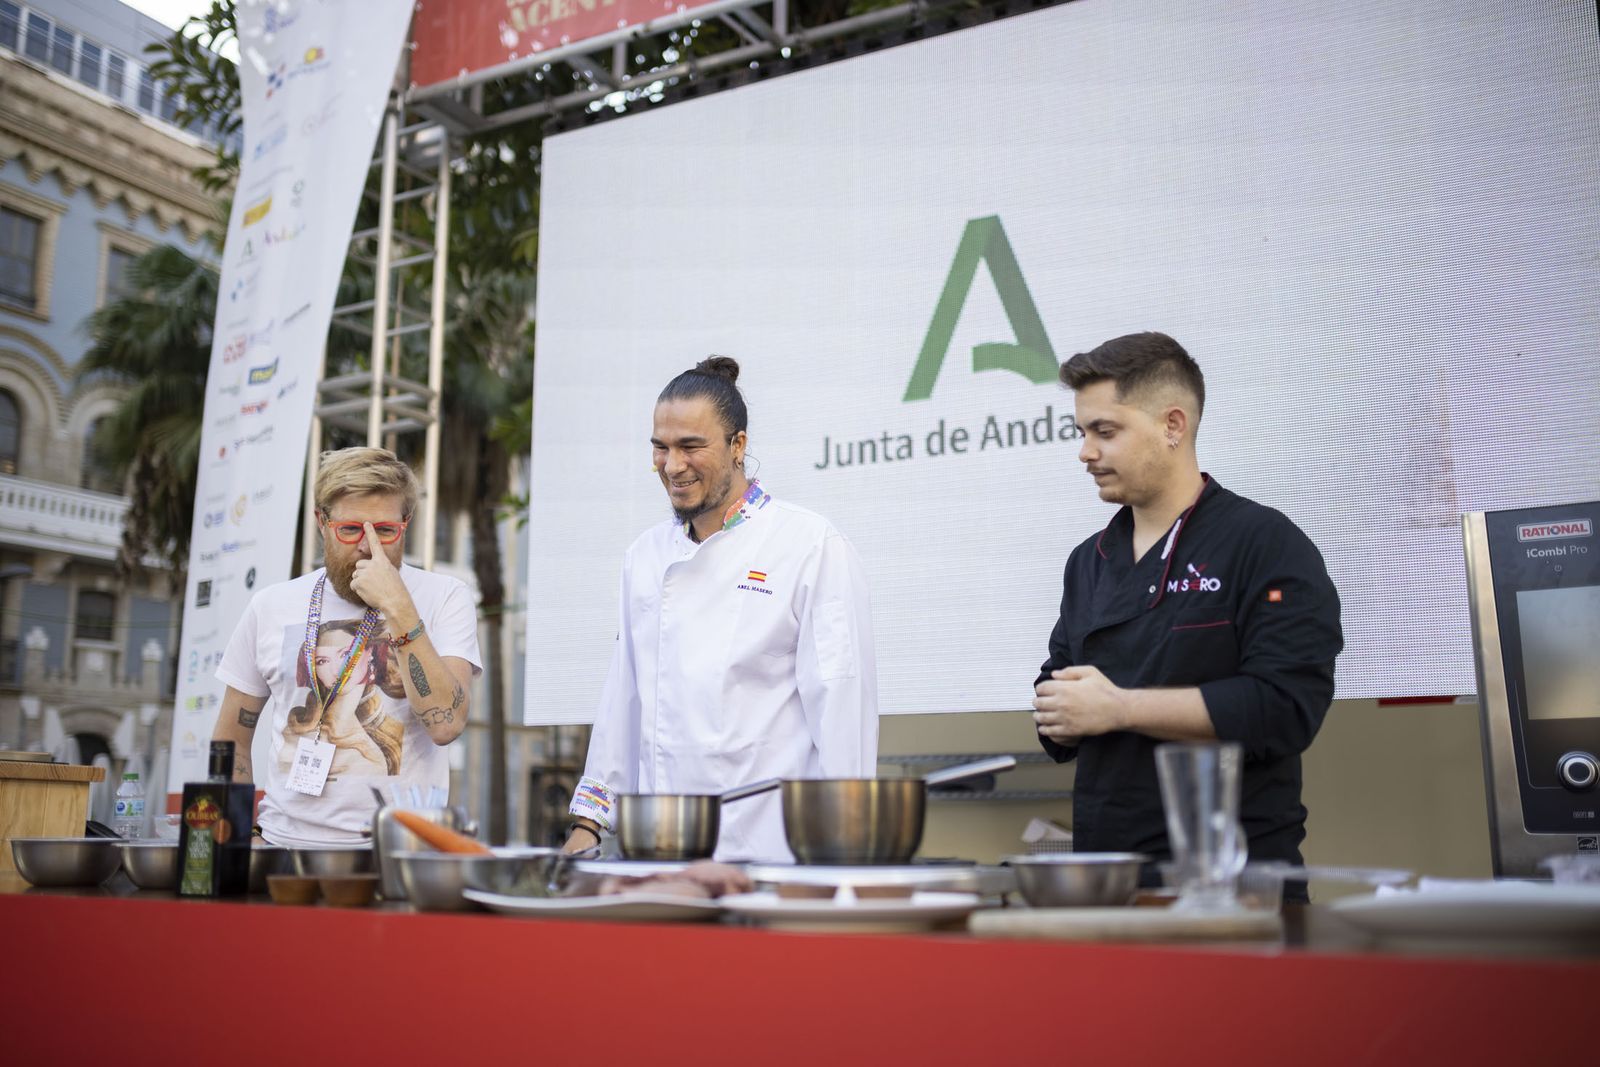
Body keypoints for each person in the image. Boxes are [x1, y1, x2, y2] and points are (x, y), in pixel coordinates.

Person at [1032, 332, 1342, 889]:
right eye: (1082, 433)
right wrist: (1060, 712)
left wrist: (1120, 708)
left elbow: (1286, 707)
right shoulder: (1088, 561)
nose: (1086, 452)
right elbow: (1056, 682)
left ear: (1172, 425)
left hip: (1235, 887)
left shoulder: (1263, 542)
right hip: (1109, 878)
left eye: (1106, 431)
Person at [564, 357, 879, 862]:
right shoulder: (644, 556)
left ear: (738, 445)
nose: (672, 465)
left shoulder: (811, 546)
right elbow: (623, 699)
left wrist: (841, 854)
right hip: (663, 853)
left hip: (771, 855)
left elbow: (843, 713)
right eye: (661, 447)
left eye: (691, 447)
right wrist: (589, 825)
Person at [213, 447, 482, 846]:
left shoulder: (445, 597)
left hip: (398, 856)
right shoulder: (270, 605)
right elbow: (231, 738)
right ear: (322, 523)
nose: (369, 546)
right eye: (350, 529)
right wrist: (241, 837)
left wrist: (398, 607)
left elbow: (446, 724)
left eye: (386, 531)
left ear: (406, 524)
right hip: (282, 848)